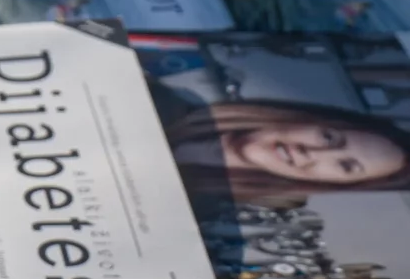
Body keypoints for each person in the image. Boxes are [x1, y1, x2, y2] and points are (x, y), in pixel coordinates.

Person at [156, 96, 410, 206]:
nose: (309, 153)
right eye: (328, 137)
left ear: (325, 183)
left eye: (344, 166)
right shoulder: (161, 100)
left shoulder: (198, 211)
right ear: (308, 119)